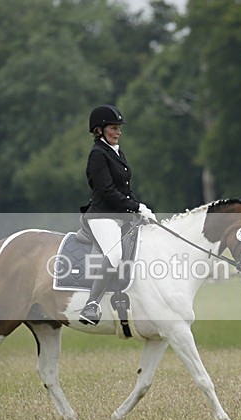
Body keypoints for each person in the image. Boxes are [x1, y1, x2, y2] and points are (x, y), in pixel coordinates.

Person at [79, 104, 156, 326]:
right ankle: (91, 304)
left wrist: (141, 207)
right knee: (114, 256)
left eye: (119, 128)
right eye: (113, 128)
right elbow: (107, 191)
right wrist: (134, 207)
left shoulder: (117, 152)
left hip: (121, 215)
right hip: (102, 216)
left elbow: (124, 188)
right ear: (99, 130)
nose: (118, 132)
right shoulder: (97, 155)